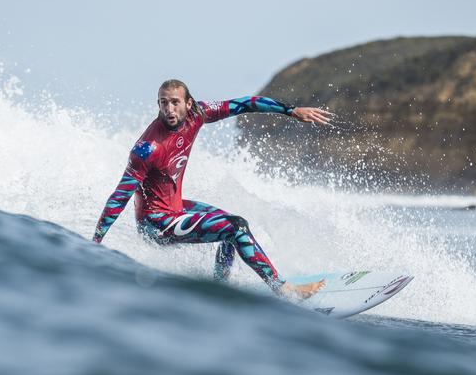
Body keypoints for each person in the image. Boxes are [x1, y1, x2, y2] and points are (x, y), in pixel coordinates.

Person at [93, 79, 333, 300]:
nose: (169, 109)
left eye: (175, 102)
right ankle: (282, 288)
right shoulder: (147, 149)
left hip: (174, 209)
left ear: (189, 104)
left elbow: (244, 104)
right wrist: (95, 244)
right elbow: (119, 197)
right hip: (155, 223)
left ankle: (220, 290)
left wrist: (291, 111)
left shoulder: (198, 114)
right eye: (163, 103)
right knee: (236, 227)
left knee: (229, 225)